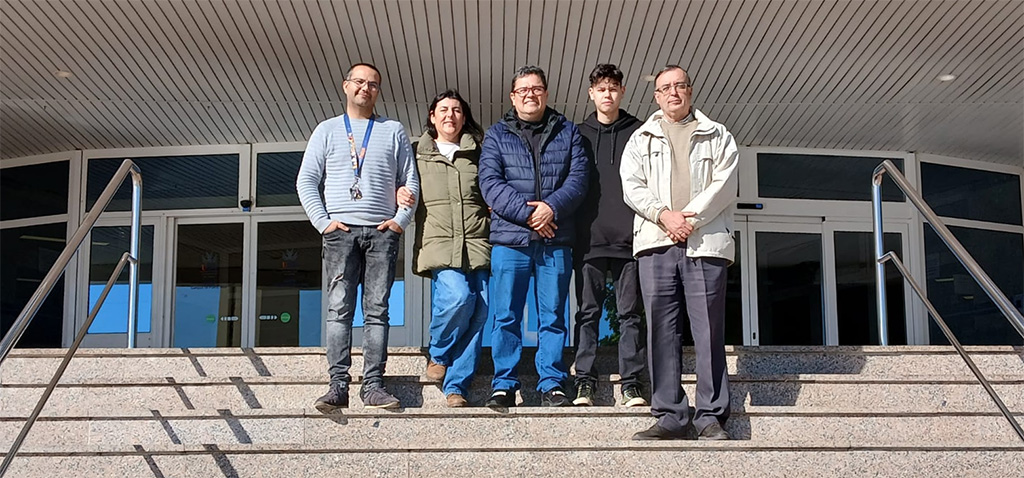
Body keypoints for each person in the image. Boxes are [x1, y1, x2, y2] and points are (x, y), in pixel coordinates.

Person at [620, 65, 738, 440]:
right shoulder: (641, 138)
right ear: (656, 96)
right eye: (665, 88)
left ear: (690, 90)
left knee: (708, 331)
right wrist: (664, 216)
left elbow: (725, 184)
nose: (673, 92)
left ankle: (710, 415)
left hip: (705, 243)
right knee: (661, 331)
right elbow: (632, 186)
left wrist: (687, 218)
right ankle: (671, 413)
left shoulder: (718, 135)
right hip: (657, 242)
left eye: (679, 86)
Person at [297, 62, 420, 411]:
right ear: (346, 86)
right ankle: (338, 385)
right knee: (339, 310)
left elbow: (410, 181)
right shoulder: (326, 130)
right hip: (341, 233)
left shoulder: (393, 130)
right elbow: (306, 180)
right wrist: (323, 222)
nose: (366, 88)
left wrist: (400, 221)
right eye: (360, 82)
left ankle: (374, 385)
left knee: (377, 311)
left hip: (382, 232)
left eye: (374, 84)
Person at [478, 65, 589, 409]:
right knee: (506, 314)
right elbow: (490, 184)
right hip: (511, 241)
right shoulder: (496, 135)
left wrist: (551, 208)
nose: (530, 94)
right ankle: (504, 384)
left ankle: (552, 382)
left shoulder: (568, 132)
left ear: (546, 93)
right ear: (513, 96)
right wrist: (530, 215)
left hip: (555, 240)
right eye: (523, 89)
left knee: (552, 315)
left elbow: (579, 179)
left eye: (536, 88)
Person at [571, 64, 647, 407]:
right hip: (588, 240)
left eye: (613, 88)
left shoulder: (641, 132)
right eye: (601, 89)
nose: (607, 94)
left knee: (630, 314)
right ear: (591, 93)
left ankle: (631, 382)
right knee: (588, 313)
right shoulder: (577, 134)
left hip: (632, 240)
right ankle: (585, 380)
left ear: (623, 92)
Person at [409, 89, 490, 408]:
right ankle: (439, 353)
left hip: (478, 240)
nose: (450, 115)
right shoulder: (417, 152)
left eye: (456, 110)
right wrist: (399, 192)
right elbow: (401, 181)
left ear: (464, 117)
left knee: (479, 312)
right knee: (458, 297)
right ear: (432, 116)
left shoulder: (478, 153)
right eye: (443, 109)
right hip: (440, 241)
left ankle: (457, 385)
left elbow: (491, 189)